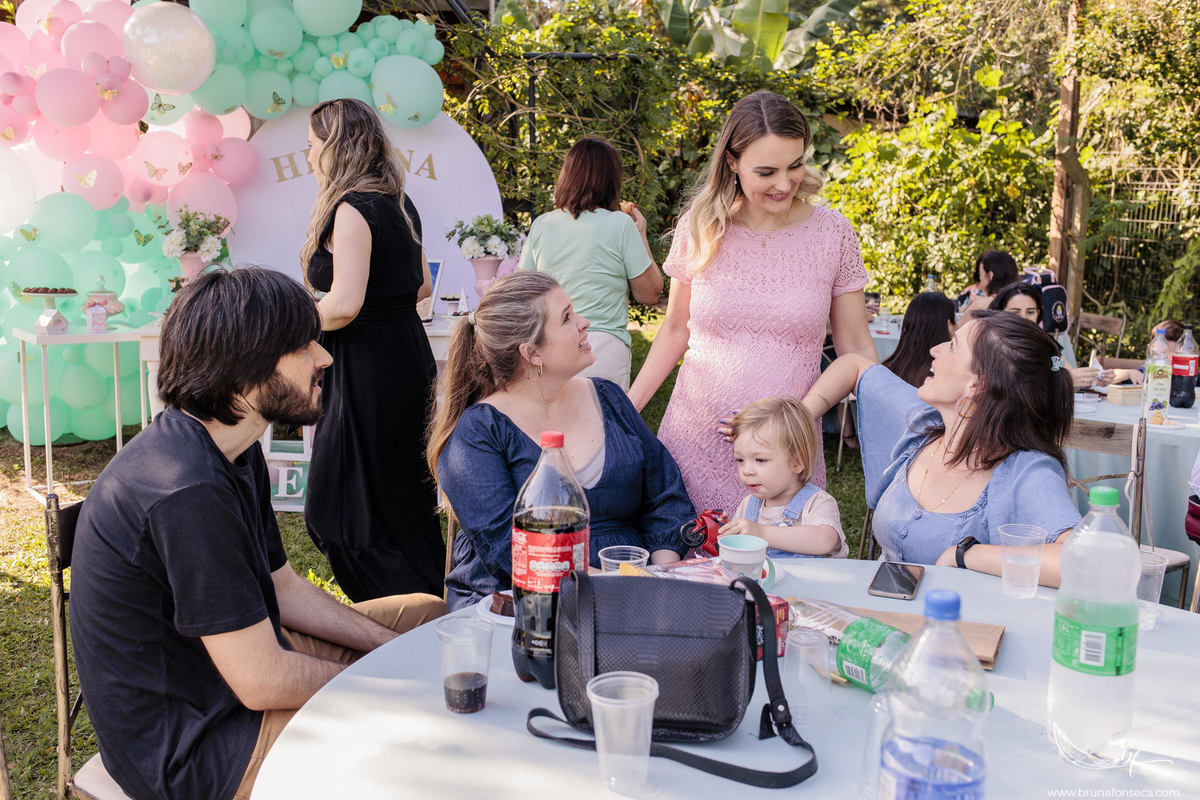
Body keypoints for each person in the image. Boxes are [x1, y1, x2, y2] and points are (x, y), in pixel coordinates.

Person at [69, 268, 447, 800]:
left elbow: (284, 590)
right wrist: (392, 681)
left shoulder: (232, 449)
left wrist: (390, 649)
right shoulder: (185, 487)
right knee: (421, 731)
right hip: (197, 747)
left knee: (428, 620)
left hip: (230, 676)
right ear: (246, 366)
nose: (325, 357)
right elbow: (261, 681)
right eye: (304, 345)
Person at [628, 90, 876, 515]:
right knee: (686, 570)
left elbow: (857, 349)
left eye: (795, 165)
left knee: (780, 573)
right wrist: (627, 412)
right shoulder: (701, 226)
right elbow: (674, 330)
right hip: (695, 441)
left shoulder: (833, 234)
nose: (784, 184)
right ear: (732, 162)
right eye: (767, 171)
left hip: (786, 456)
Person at [429, 272, 693, 610]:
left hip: (634, 587)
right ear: (532, 353)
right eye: (567, 317)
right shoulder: (479, 433)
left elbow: (665, 494)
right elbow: (510, 551)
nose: (584, 323)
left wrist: (662, 571)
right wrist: (616, 589)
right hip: (525, 606)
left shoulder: (607, 397)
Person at [801, 311, 1081, 584]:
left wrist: (966, 555)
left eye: (953, 346)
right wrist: (796, 420)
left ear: (977, 384)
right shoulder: (922, 422)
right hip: (881, 618)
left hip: (956, 627)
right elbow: (855, 366)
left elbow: (1081, 563)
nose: (935, 349)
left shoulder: (1026, 472)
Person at [301, 97, 445, 601]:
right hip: (407, 355)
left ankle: (394, 601)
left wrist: (284, 315)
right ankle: (424, 595)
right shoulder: (401, 203)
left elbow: (342, 305)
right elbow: (422, 287)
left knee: (344, 497)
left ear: (337, 148)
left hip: (366, 366)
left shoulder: (352, 209)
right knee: (402, 486)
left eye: (314, 145)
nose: (310, 156)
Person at [518, 136, 664, 390]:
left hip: (551, 344)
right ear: (611, 180)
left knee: (553, 428)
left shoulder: (542, 224)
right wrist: (640, 234)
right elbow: (650, 294)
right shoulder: (620, 224)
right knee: (602, 425)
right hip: (603, 348)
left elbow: (522, 291)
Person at [718, 397, 847, 557]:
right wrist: (729, 532)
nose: (746, 471)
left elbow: (825, 541)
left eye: (760, 460)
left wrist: (761, 533)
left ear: (797, 463)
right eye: (740, 460)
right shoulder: (748, 506)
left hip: (809, 582)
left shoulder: (816, 503)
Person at [988, 282, 1113, 389]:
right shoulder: (992, 343)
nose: (1023, 318)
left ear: (1038, 314)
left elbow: (1070, 374)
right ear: (1001, 312)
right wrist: (1066, 380)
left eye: (1030, 312)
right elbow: (1010, 386)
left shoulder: (1046, 343)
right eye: (1015, 312)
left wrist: (1091, 380)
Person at [881, 291, 956, 386]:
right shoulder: (948, 380)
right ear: (948, 326)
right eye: (956, 320)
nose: (957, 327)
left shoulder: (886, 372)